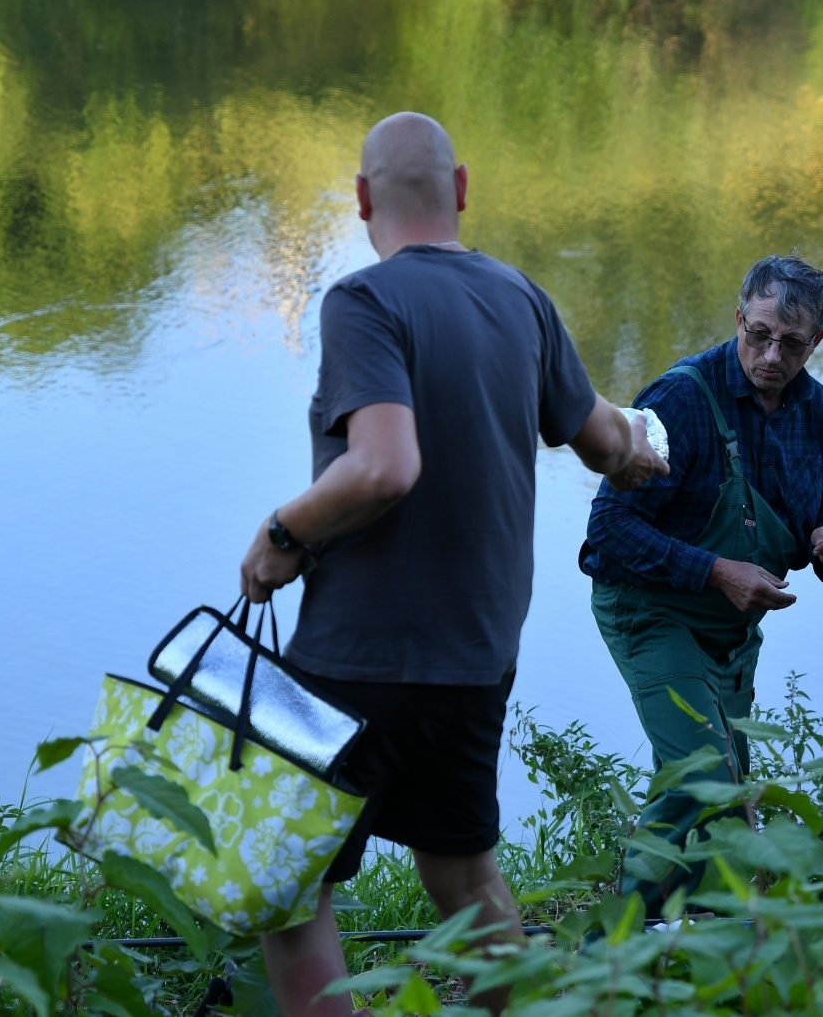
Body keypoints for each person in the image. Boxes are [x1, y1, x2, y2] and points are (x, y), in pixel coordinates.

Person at [237, 111, 666, 1017]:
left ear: (360, 200)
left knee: (283, 879)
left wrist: (282, 535)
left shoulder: (365, 302)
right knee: (464, 873)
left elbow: (385, 466)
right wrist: (642, 445)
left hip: (358, 659)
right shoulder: (523, 299)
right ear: (462, 188)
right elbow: (600, 439)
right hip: (475, 658)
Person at [579, 253, 823, 915]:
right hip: (647, 608)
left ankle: (699, 939)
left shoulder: (821, 415)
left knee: (721, 808)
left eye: (790, 343)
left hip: (731, 634)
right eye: (757, 334)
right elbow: (606, 532)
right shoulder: (680, 399)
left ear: (815, 341)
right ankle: (611, 946)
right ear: (738, 318)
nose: (769, 355)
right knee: (704, 777)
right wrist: (717, 571)